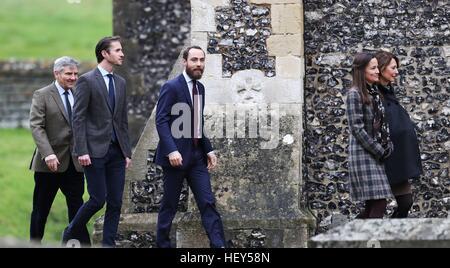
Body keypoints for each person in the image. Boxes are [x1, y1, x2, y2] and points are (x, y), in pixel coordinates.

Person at [63, 36, 132, 247]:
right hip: (93, 151)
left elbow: (121, 120)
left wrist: (126, 152)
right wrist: (81, 149)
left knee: (115, 203)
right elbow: (78, 117)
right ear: (105, 53)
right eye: (118, 50)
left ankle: (108, 244)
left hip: (117, 153)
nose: (122, 54)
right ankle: (71, 231)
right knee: (97, 199)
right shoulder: (87, 80)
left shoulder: (121, 82)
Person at [154, 46, 226, 248]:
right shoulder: (171, 87)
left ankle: (219, 246)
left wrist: (208, 149)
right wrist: (171, 150)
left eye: (202, 60)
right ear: (184, 62)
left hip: (196, 158)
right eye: (194, 60)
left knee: (207, 202)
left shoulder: (199, 88)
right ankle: (162, 245)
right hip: (175, 158)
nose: (199, 64)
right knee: (169, 205)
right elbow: (161, 121)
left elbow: (196, 123)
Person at [29, 56, 90, 245]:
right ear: (56, 73)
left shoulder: (80, 93)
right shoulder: (42, 94)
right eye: (68, 74)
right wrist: (48, 153)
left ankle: (78, 245)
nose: (73, 78)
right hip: (49, 164)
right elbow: (36, 126)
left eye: (75, 74)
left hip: (75, 163)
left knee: (77, 209)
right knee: (41, 210)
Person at [346, 52, 394, 219]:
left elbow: (381, 124)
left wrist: (387, 144)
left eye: (377, 68)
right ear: (361, 71)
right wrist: (379, 150)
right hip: (363, 154)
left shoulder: (373, 92)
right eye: (373, 68)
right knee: (379, 203)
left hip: (374, 155)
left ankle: (349, 239)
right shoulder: (354, 94)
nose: (377, 72)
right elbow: (357, 128)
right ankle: (370, 242)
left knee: (371, 206)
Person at [375, 50, 422, 218]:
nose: (397, 72)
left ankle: (391, 238)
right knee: (374, 209)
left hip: (398, 159)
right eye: (393, 68)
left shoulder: (388, 92)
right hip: (384, 159)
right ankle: (342, 239)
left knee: (406, 202)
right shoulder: (374, 95)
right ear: (381, 69)